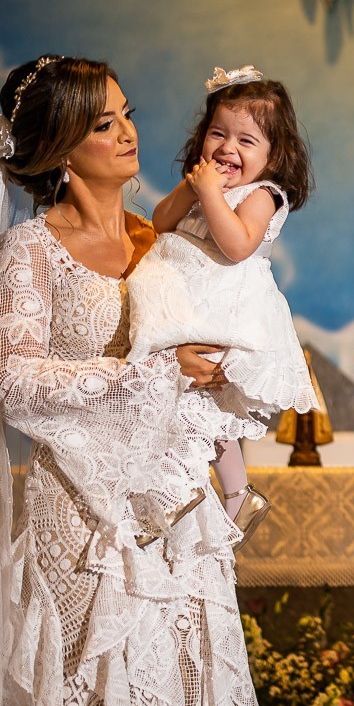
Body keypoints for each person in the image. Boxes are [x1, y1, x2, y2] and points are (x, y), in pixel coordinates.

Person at [0, 55, 268, 706]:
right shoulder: (27, 252)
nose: (126, 134)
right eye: (102, 122)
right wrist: (154, 372)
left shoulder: (165, 241)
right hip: (82, 519)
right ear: (59, 148)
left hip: (175, 510)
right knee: (87, 700)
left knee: (188, 686)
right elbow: (15, 381)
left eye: (127, 115)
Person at [125, 65, 318, 546]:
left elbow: (236, 245)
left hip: (225, 313)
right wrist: (192, 189)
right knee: (179, 403)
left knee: (203, 410)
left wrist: (213, 195)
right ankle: (216, 492)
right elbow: (163, 224)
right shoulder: (201, 190)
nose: (228, 149)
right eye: (217, 134)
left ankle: (210, 491)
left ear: (275, 156)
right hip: (185, 309)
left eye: (247, 141)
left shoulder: (263, 194)